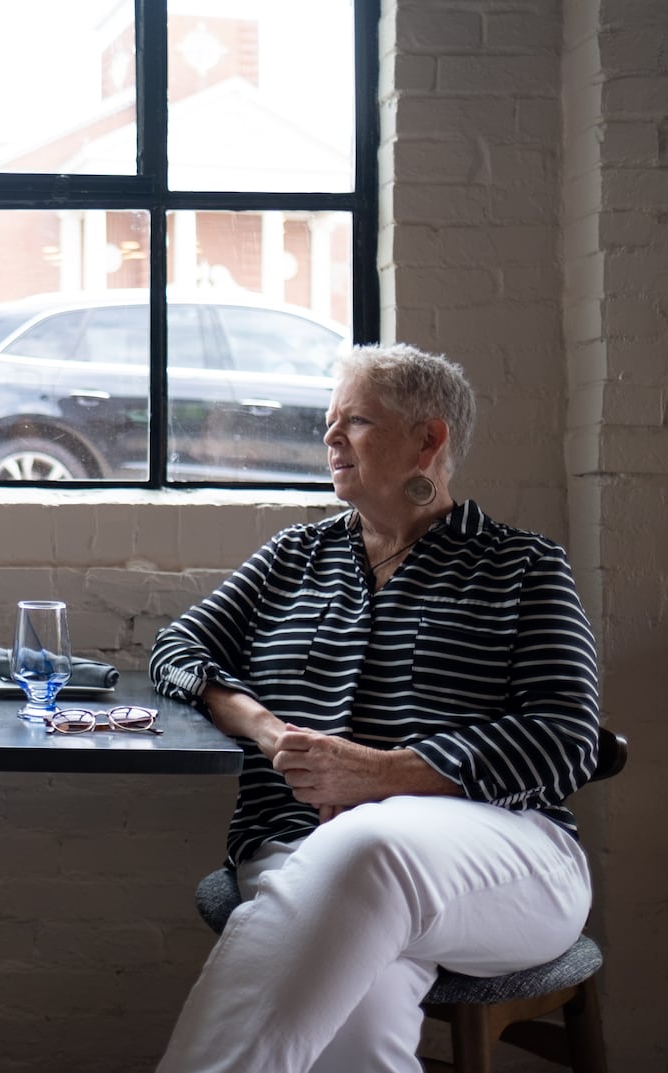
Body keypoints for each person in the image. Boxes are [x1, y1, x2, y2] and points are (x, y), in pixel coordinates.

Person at [149, 344, 599, 1073]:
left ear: (430, 439)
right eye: (329, 422)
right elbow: (177, 650)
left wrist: (381, 773)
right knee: (351, 1031)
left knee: (368, 843)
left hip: (505, 861)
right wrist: (268, 730)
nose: (329, 438)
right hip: (298, 853)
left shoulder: (522, 565)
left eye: (355, 421)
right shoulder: (293, 557)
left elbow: (567, 738)